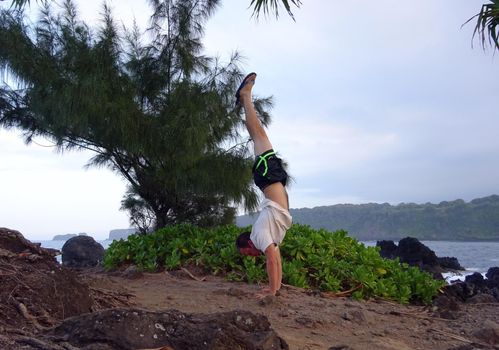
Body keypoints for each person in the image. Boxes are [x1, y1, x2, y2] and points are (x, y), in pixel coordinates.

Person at [235, 72, 292, 299]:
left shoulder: (258, 235)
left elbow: (270, 258)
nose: (250, 257)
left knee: (258, 132)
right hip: (271, 180)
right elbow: (275, 258)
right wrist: (274, 290)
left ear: (248, 244)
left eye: (245, 253)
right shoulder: (265, 237)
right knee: (257, 134)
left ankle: (245, 97)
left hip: (269, 178)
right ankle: (244, 99)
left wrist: (269, 291)